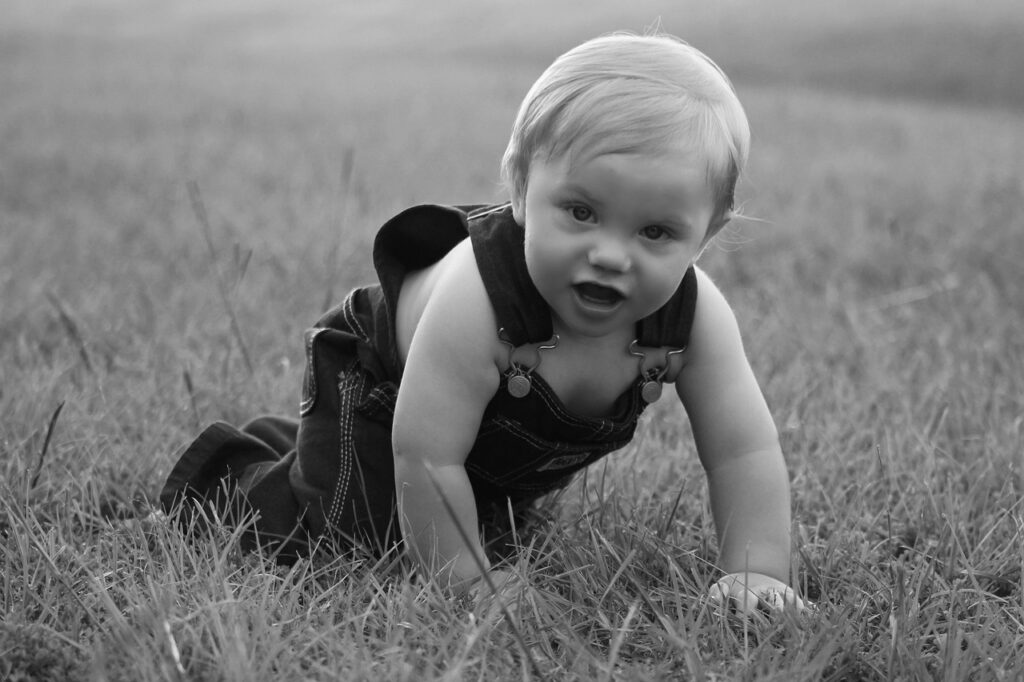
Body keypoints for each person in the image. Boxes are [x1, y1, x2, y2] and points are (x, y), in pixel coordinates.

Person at [161, 32, 807, 615]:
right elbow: (427, 452)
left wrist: (756, 574)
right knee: (355, 539)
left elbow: (742, 450)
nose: (610, 254)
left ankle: (314, 449)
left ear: (707, 234)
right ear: (523, 188)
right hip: (382, 385)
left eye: (657, 231)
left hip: (469, 436)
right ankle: (233, 472)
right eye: (581, 212)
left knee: (485, 518)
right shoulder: (480, 301)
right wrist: (472, 585)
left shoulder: (693, 320)